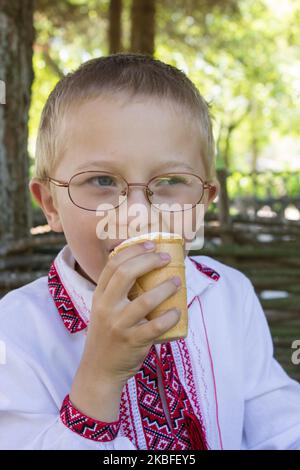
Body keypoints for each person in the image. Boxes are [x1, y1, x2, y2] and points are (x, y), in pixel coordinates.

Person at [0, 53, 299, 450]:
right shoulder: (16, 331)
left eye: (171, 180)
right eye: (102, 180)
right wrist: (100, 377)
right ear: (51, 204)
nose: (138, 215)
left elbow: (276, 421)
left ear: (204, 201)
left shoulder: (229, 293)